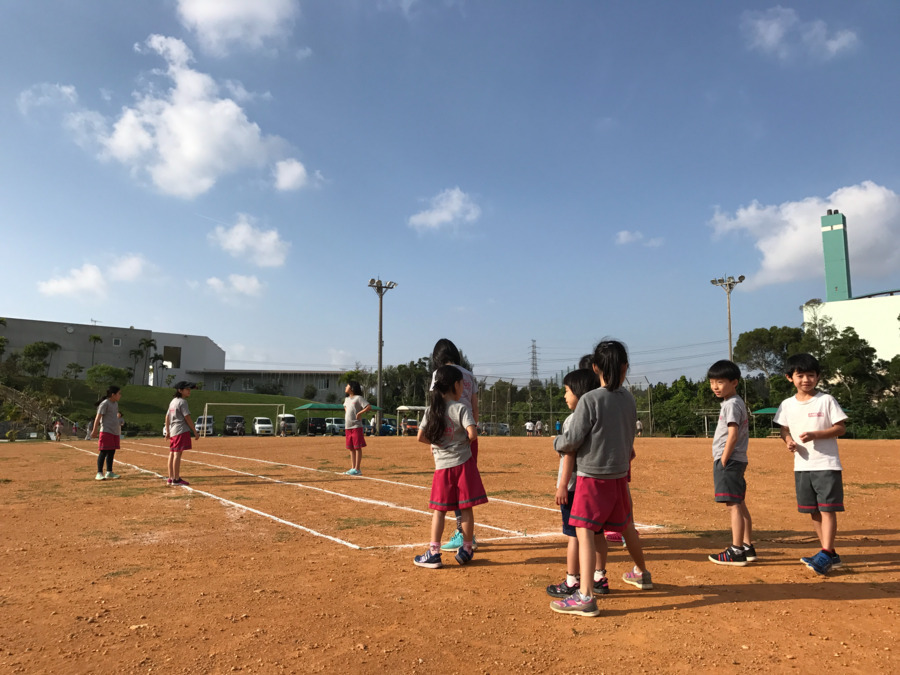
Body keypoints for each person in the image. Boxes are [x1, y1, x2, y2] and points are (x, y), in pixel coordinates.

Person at [551, 340, 652, 617]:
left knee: (585, 535)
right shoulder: (629, 399)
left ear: (595, 367)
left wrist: (556, 441)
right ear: (625, 367)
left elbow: (572, 440)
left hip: (592, 479)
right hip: (619, 477)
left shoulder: (590, 400)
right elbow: (629, 438)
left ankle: (584, 595)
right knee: (625, 526)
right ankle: (642, 573)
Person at [773, 353, 848, 575]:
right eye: (800, 375)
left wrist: (816, 434)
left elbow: (841, 427)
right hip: (802, 465)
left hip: (826, 464)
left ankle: (825, 553)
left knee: (827, 509)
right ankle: (828, 553)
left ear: (818, 377)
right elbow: (783, 428)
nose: (806, 380)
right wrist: (788, 441)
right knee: (813, 511)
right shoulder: (787, 404)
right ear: (790, 378)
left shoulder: (826, 400)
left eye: (811, 375)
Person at [414, 365, 488, 569]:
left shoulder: (432, 410)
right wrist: (462, 442)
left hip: (443, 468)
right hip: (463, 465)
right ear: (456, 385)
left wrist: (438, 443)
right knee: (466, 508)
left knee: (439, 511)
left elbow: (421, 436)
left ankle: (434, 552)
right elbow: (472, 434)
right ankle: (466, 549)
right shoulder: (461, 408)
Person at [546, 369, 608, 599]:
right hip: (595, 484)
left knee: (574, 534)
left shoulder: (574, 419)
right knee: (598, 533)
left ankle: (572, 580)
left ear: (579, 393)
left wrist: (562, 485)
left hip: (574, 486)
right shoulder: (601, 415)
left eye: (567, 391)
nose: (565, 396)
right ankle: (599, 577)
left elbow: (569, 452)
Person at [429, 339, 480, 553]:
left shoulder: (439, 374)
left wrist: (435, 436)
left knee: (446, 490)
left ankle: (461, 535)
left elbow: (434, 404)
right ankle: (467, 538)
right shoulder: (469, 375)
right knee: (464, 488)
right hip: (468, 435)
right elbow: (475, 408)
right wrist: (471, 433)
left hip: (447, 437)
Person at [706, 360, 755, 566]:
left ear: (734, 382)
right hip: (737, 460)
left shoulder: (731, 404)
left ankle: (736, 551)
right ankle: (746, 546)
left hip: (730, 460)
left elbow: (733, 434)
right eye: (712, 382)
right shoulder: (734, 402)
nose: (715, 387)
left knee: (733, 504)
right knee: (739, 502)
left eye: (720, 382)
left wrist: (724, 458)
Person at [165, 381, 199, 486]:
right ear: (180, 390)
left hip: (174, 430)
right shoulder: (182, 402)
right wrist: (194, 430)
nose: (189, 391)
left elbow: (167, 417)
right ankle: (176, 478)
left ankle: (171, 477)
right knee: (177, 454)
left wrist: (167, 430)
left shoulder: (173, 401)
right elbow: (187, 417)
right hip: (180, 431)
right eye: (187, 389)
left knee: (172, 453)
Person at [91, 386, 122, 480]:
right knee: (103, 451)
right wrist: (94, 430)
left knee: (112, 451)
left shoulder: (115, 404)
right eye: (119, 393)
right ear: (113, 395)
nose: (120, 395)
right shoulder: (105, 404)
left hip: (114, 431)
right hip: (106, 431)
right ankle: (99, 473)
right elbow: (98, 417)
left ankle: (109, 472)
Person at [343, 380, 371, 475]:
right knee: (351, 448)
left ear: (352, 388)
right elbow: (345, 407)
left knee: (357, 447)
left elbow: (368, 407)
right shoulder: (346, 399)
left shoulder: (358, 398)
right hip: (348, 427)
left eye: (347, 385)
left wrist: (359, 413)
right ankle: (352, 468)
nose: (345, 387)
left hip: (356, 426)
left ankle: (357, 469)